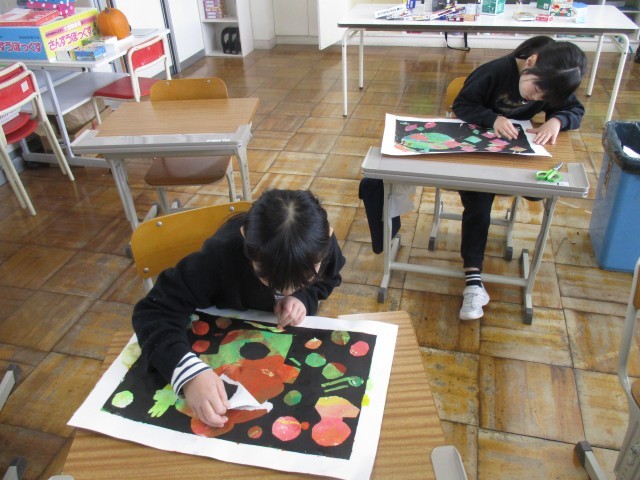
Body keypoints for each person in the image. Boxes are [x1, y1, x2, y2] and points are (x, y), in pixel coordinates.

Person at [132, 189, 346, 428]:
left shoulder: (322, 246)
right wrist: (188, 374)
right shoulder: (219, 255)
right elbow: (153, 311)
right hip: (219, 334)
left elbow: (330, 278)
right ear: (245, 238)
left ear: (329, 236)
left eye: (304, 279)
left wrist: (303, 297)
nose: (286, 290)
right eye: (268, 277)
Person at [451, 36, 587, 321]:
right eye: (535, 90)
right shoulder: (496, 72)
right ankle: (473, 280)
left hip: (516, 156)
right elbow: (461, 104)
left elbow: (574, 110)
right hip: (477, 157)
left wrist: (557, 120)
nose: (535, 99)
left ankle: (487, 278)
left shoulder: (553, 81)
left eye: (543, 98)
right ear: (531, 62)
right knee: (478, 204)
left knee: (538, 191)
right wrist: (493, 118)